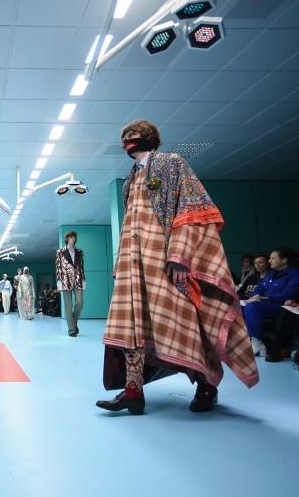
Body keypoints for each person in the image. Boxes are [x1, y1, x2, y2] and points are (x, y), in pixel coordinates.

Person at [97, 119, 259, 416]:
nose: (127, 140)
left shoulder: (173, 163)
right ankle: (133, 393)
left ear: (150, 138)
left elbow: (192, 209)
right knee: (131, 329)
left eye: (133, 135)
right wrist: (121, 263)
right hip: (133, 266)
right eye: (124, 137)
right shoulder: (130, 179)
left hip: (163, 260)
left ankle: (206, 386)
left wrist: (179, 256)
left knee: (183, 324)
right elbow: (128, 225)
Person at [242, 247, 299, 357]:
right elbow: (259, 288)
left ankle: (257, 342)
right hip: (268, 304)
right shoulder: (270, 273)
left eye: (272, 258)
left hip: (283, 306)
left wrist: (265, 298)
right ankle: (248, 340)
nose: (269, 261)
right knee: (241, 306)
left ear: (284, 260)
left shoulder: (295, 273)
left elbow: (289, 293)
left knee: (252, 307)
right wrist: (255, 296)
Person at [55, 230, 86, 336]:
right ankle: (72, 330)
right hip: (65, 281)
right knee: (68, 306)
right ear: (67, 238)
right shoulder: (60, 252)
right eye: (71, 237)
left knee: (80, 302)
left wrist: (83, 280)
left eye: (74, 237)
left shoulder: (80, 252)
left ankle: (73, 322)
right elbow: (58, 268)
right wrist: (59, 283)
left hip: (78, 280)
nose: (73, 239)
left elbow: (82, 267)